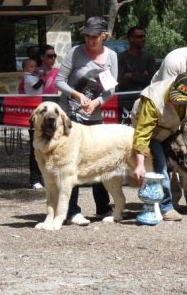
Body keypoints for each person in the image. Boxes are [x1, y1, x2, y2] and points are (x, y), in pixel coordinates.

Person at [55, 16, 118, 226]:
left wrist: (97, 102)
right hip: (71, 115)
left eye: (93, 36)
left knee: (98, 160)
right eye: (86, 36)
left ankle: (102, 207)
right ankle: (71, 211)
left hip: (95, 115)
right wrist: (76, 95)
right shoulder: (75, 52)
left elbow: (111, 89)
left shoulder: (112, 57)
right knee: (71, 163)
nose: (89, 40)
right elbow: (59, 81)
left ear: (103, 37)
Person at [131, 73, 187, 222]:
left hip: (173, 128)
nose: (175, 101)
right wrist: (140, 164)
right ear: (172, 86)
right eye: (174, 96)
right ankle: (166, 208)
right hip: (152, 131)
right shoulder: (153, 100)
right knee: (161, 167)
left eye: (180, 100)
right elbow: (143, 133)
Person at [20, 58, 45, 190]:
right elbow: (36, 86)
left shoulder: (32, 76)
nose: (34, 68)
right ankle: (34, 178)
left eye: (35, 66)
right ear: (25, 68)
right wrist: (43, 78)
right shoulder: (28, 77)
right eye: (31, 66)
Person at [117, 26, 156, 92]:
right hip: (124, 96)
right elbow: (119, 80)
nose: (143, 39)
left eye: (144, 36)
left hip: (144, 95)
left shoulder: (149, 56)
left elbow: (151, 80)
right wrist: (142, 75)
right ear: (131, 38)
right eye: (139, 37)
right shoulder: (120, 57)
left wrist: (130, 75)